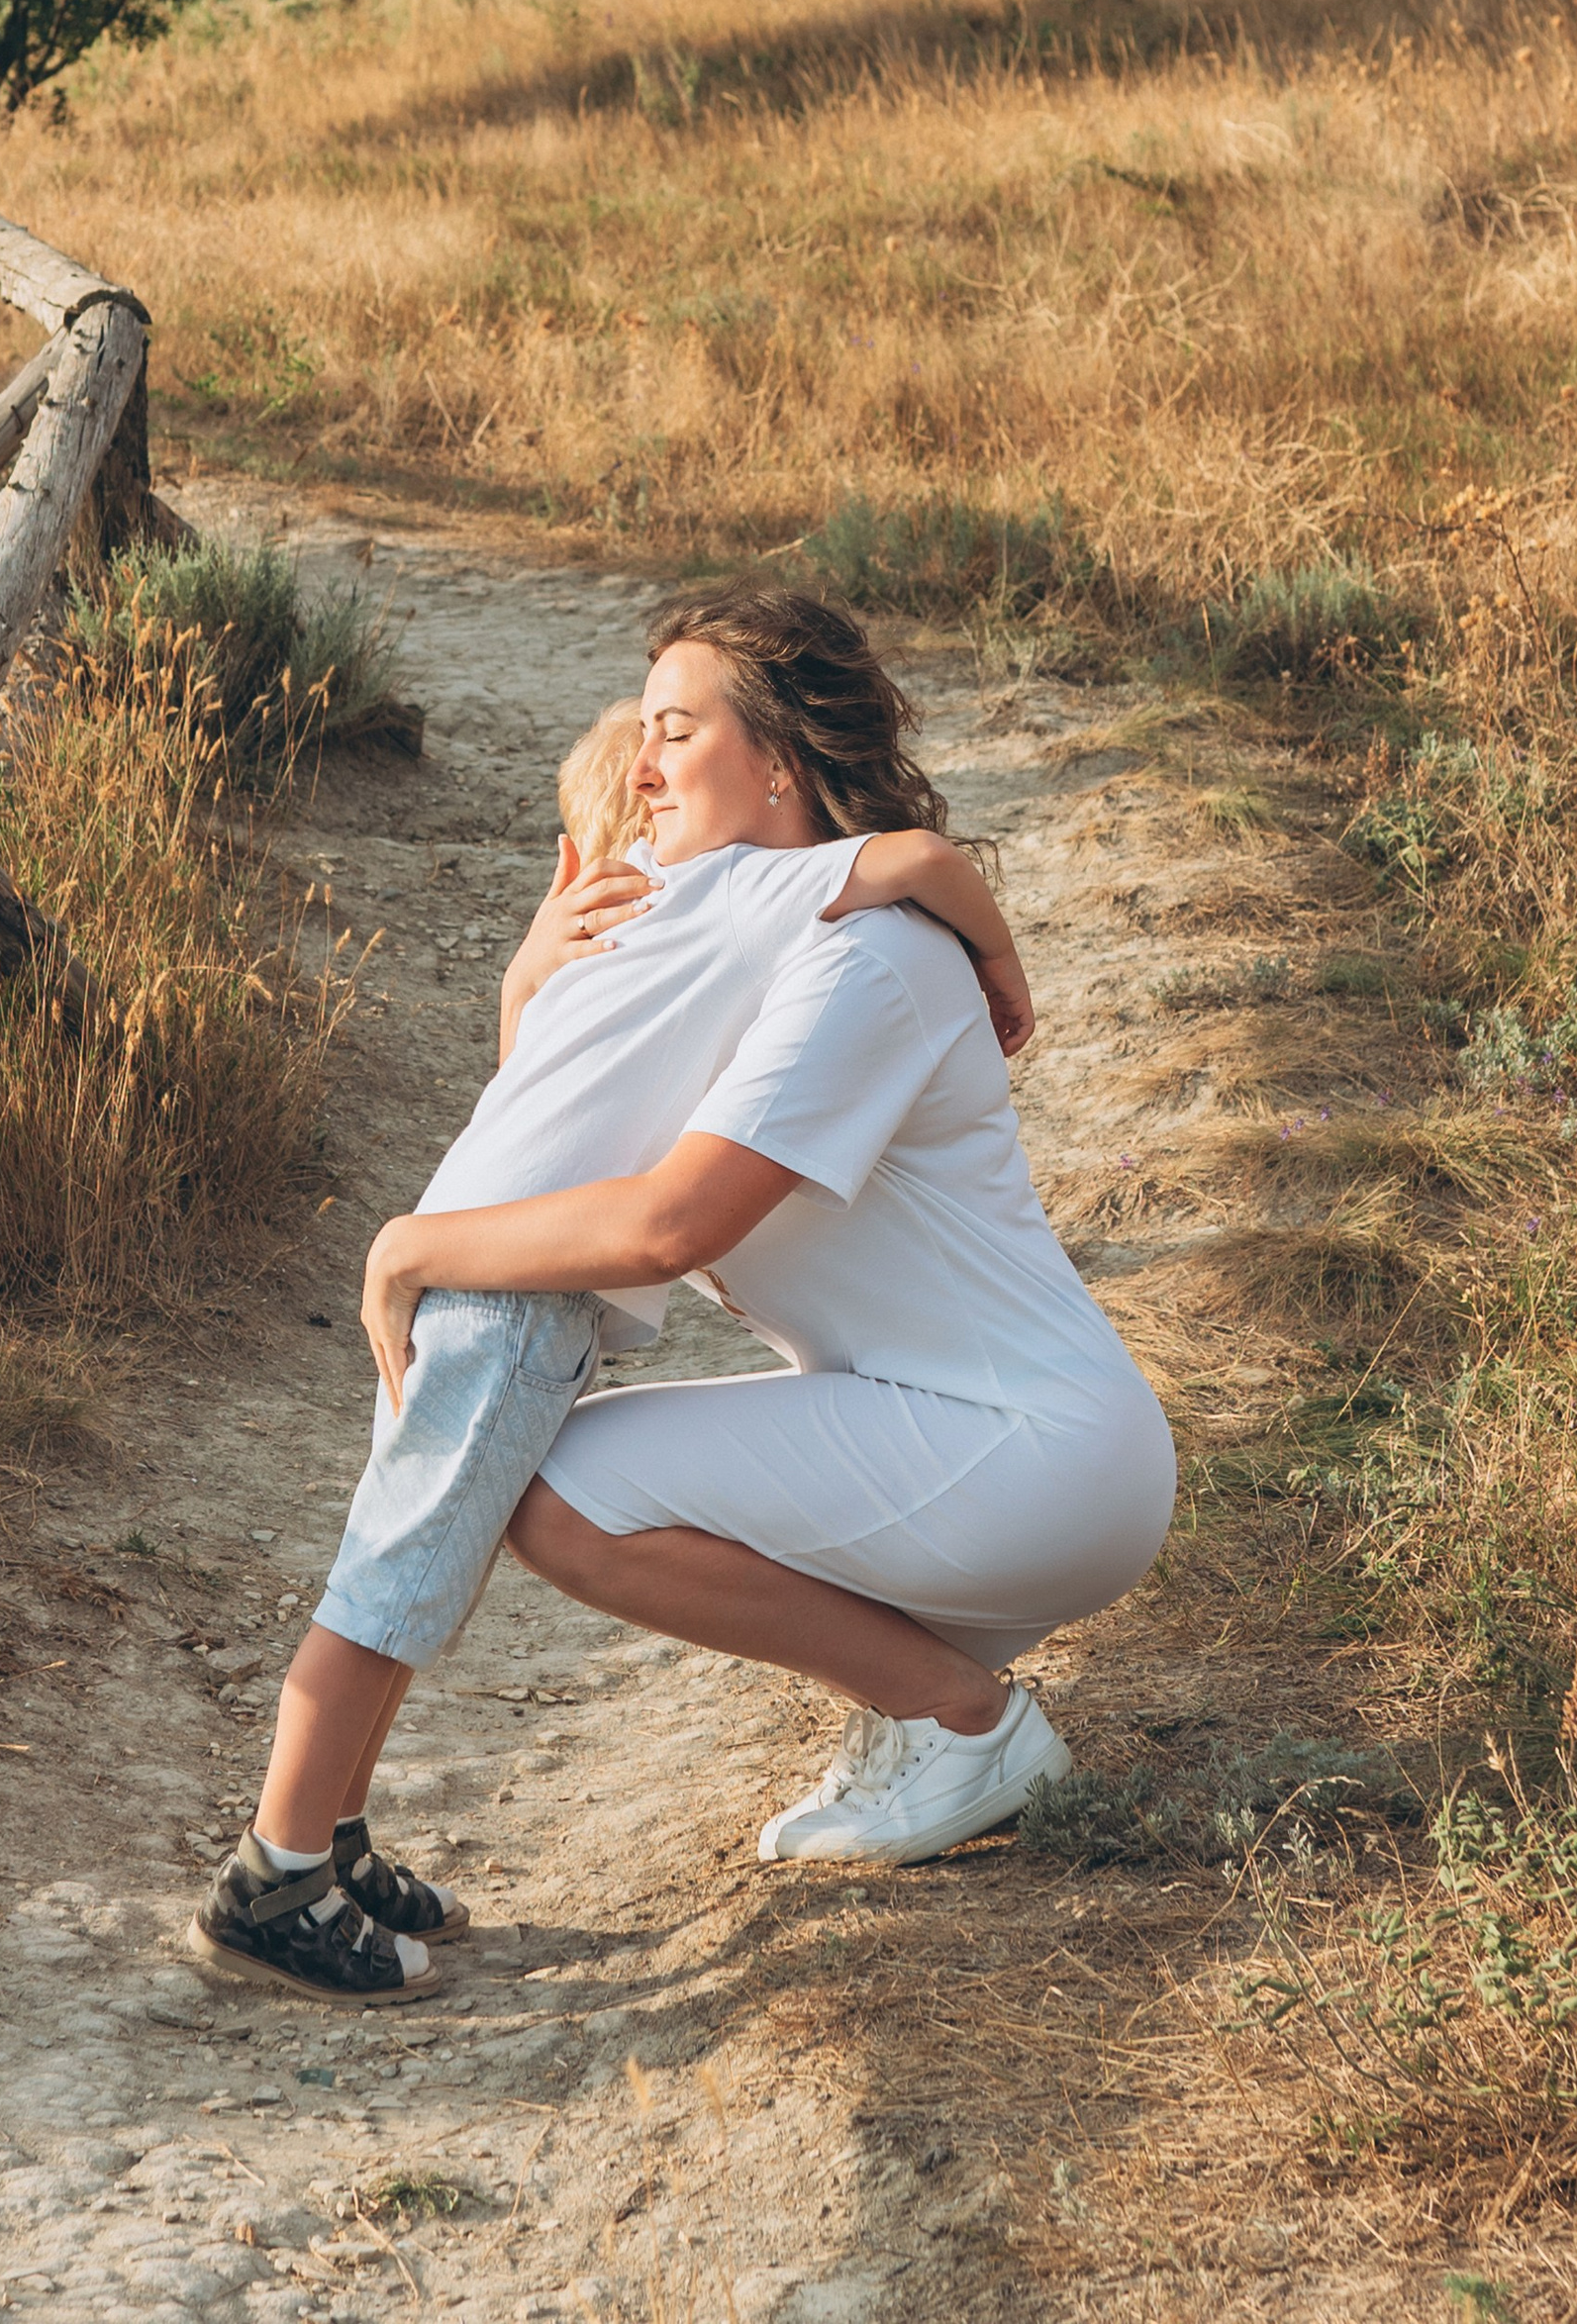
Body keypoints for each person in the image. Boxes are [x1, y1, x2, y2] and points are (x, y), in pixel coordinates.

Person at [188, 623, 1033, 2000]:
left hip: (477, 1268)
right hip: (511, 1297)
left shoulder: (601, 951)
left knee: (420, 1562)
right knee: (396, 1580)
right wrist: (1002, 974)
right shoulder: (738, 890)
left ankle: (331, 1832)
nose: (655, 779)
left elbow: (545, 1076)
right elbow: (928, 862)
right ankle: (273, 1876)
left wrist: (542, 944)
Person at [360, 584, 1177, 1876]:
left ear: (783, 764)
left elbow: (660, 1227)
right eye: (642, 734)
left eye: (676, 730)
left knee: (560, 1494)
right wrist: (531, 979)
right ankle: (931, 1699)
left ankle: (962, 1723)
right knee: (561, 1480)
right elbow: (559, 1154)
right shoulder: (747, 960)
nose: (642, 765)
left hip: (1033, 1452)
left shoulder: (866, 960)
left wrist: (408, 1251)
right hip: (950, 1427)